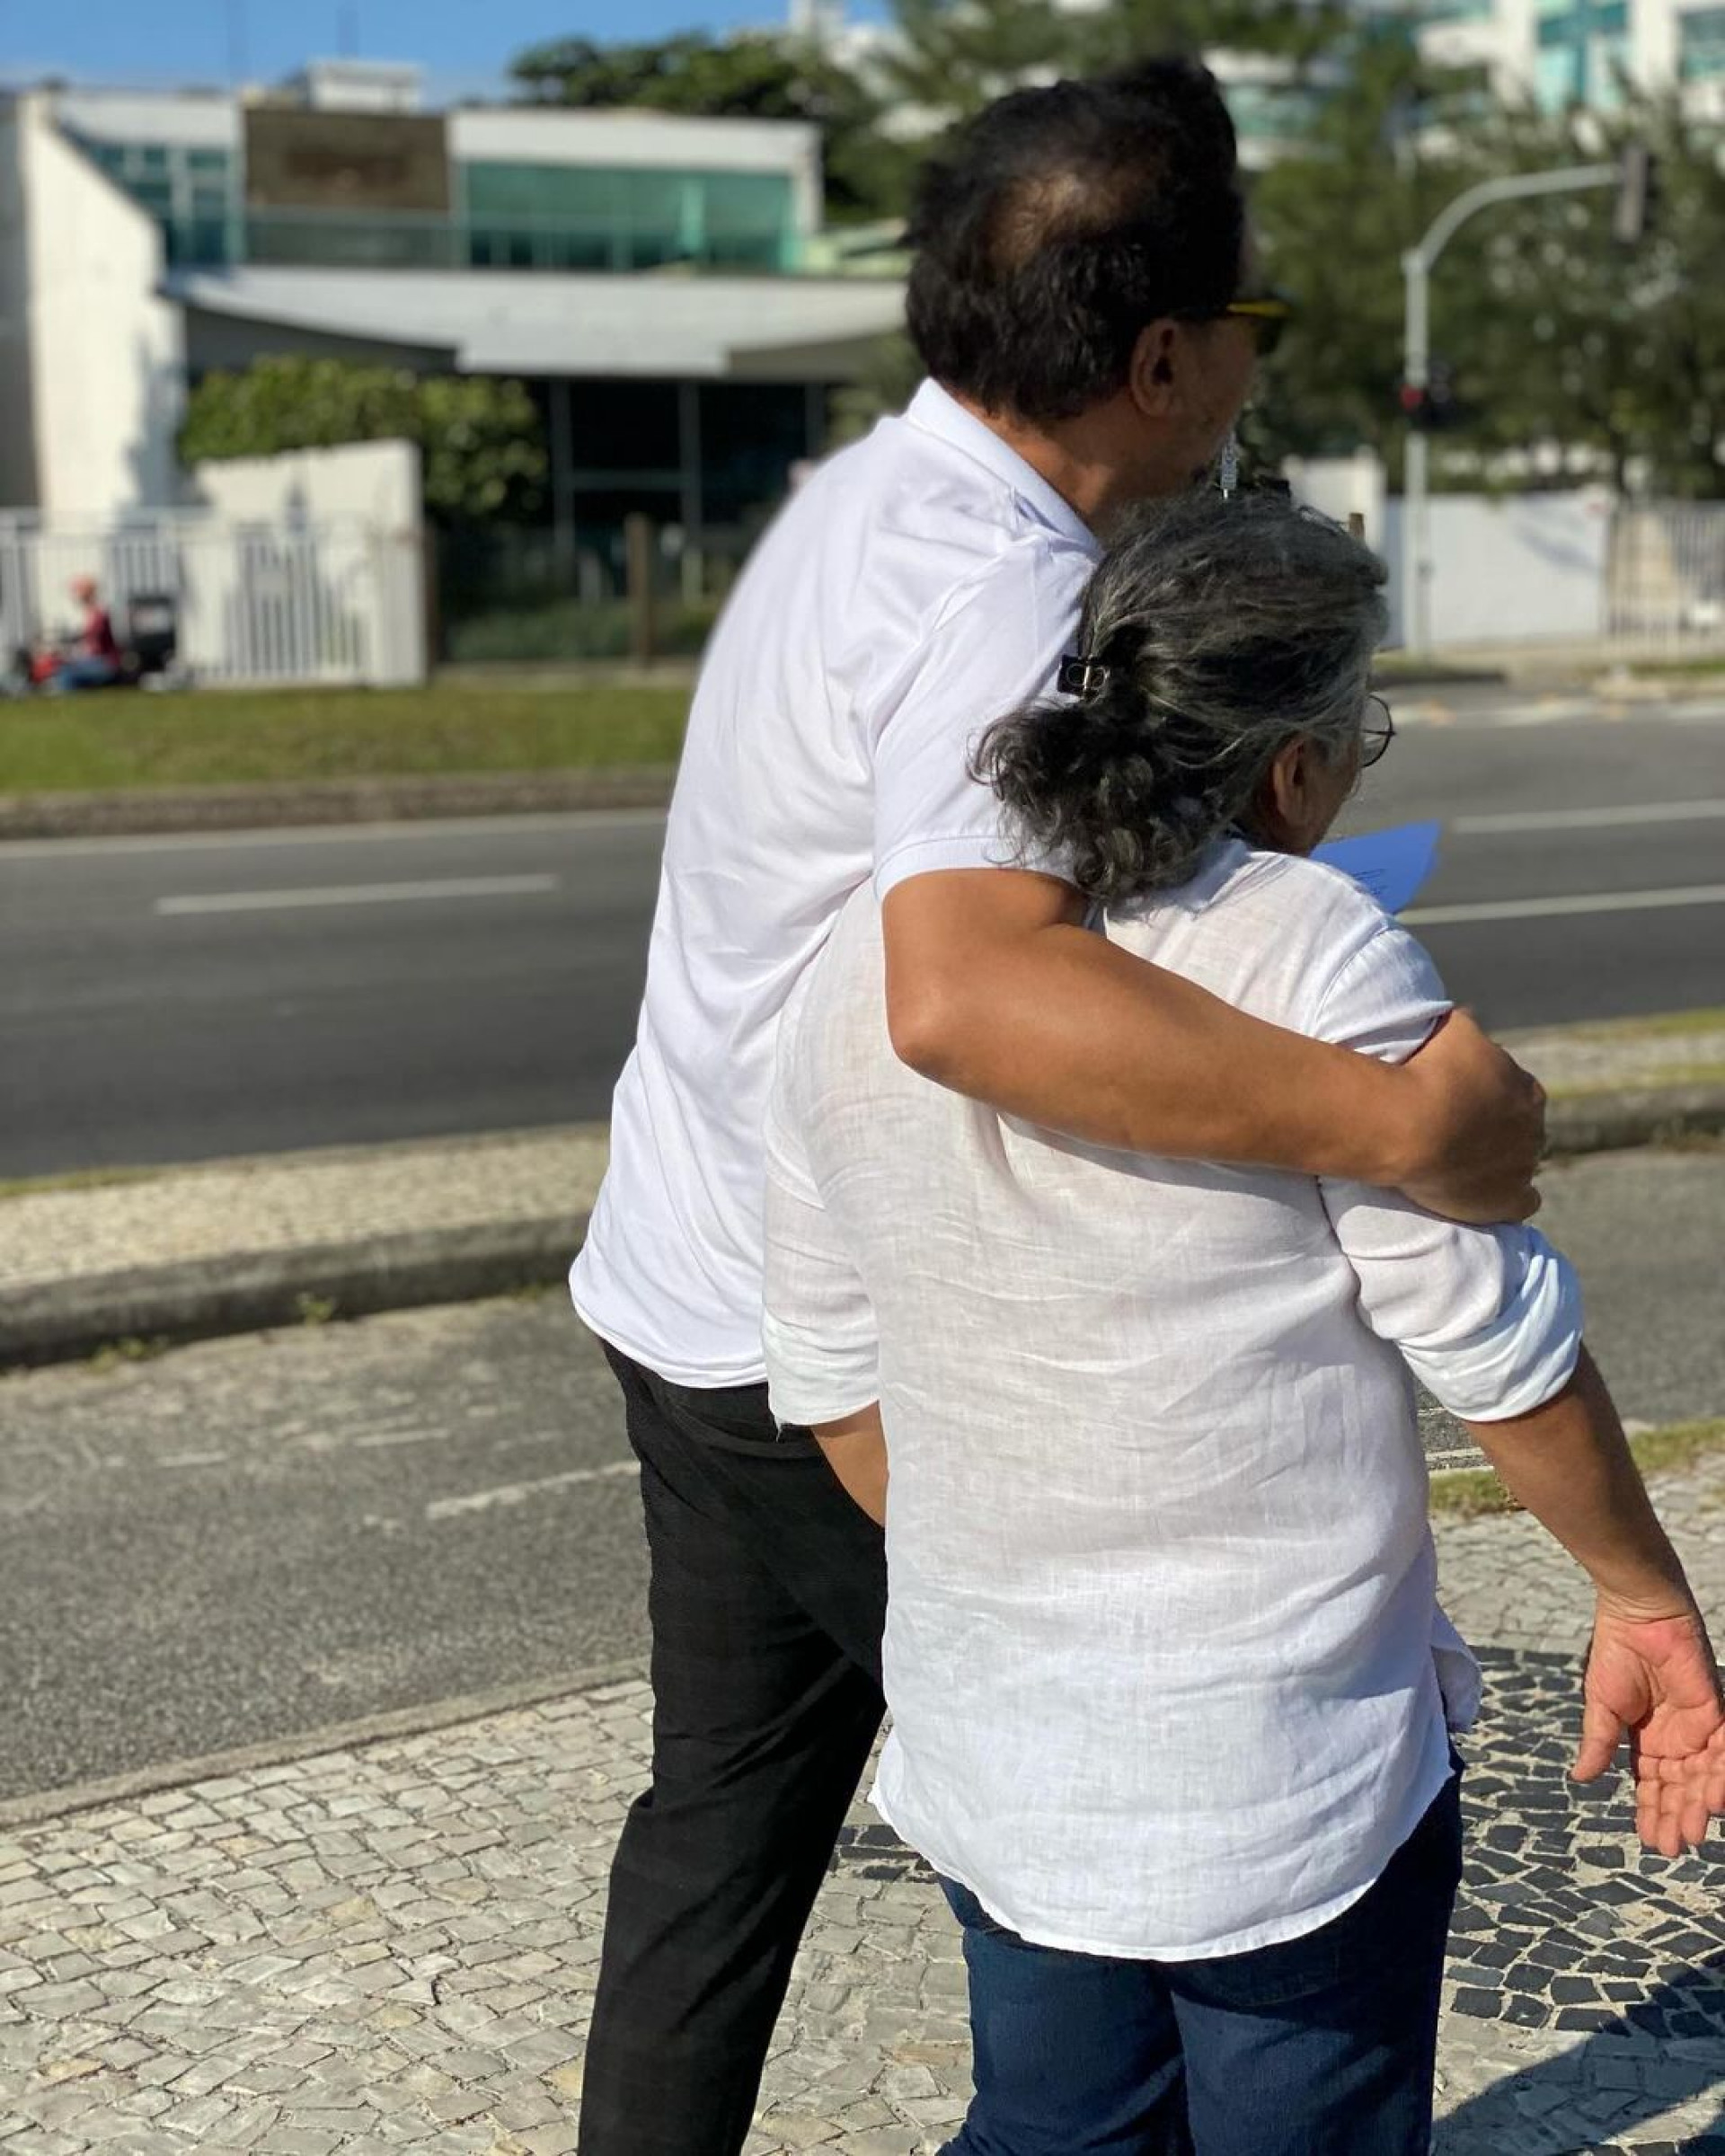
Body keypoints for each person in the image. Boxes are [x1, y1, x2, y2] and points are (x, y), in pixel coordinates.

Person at [569, 62, 1546, 2154]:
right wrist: (1391, 1123)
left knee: (718, 1856)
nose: (1245, 382)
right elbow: (965, 985)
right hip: (827, 1328)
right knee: (1122, 1843)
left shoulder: (865, 497)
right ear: (1164, 354)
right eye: (1249, 334)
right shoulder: (1002, 592)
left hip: (688, 1278)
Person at [761, 490, 1725, 2155]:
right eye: (1368, 728)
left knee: (1056, 2127)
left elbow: (835, 1383)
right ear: (1294, 764)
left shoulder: (867, 963)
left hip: (1006, 1747)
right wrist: (1643, 1595)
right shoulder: (1310, 950)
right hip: (1283, 1764)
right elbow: (1496, 1348)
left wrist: (1037, 1576)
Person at [45, 577, 123, 693]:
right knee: (59, 667)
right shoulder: (90, 614)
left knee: (65, 673)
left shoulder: (98, 614)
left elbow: (94, 643)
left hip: (105, 663)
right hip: (99, 661)